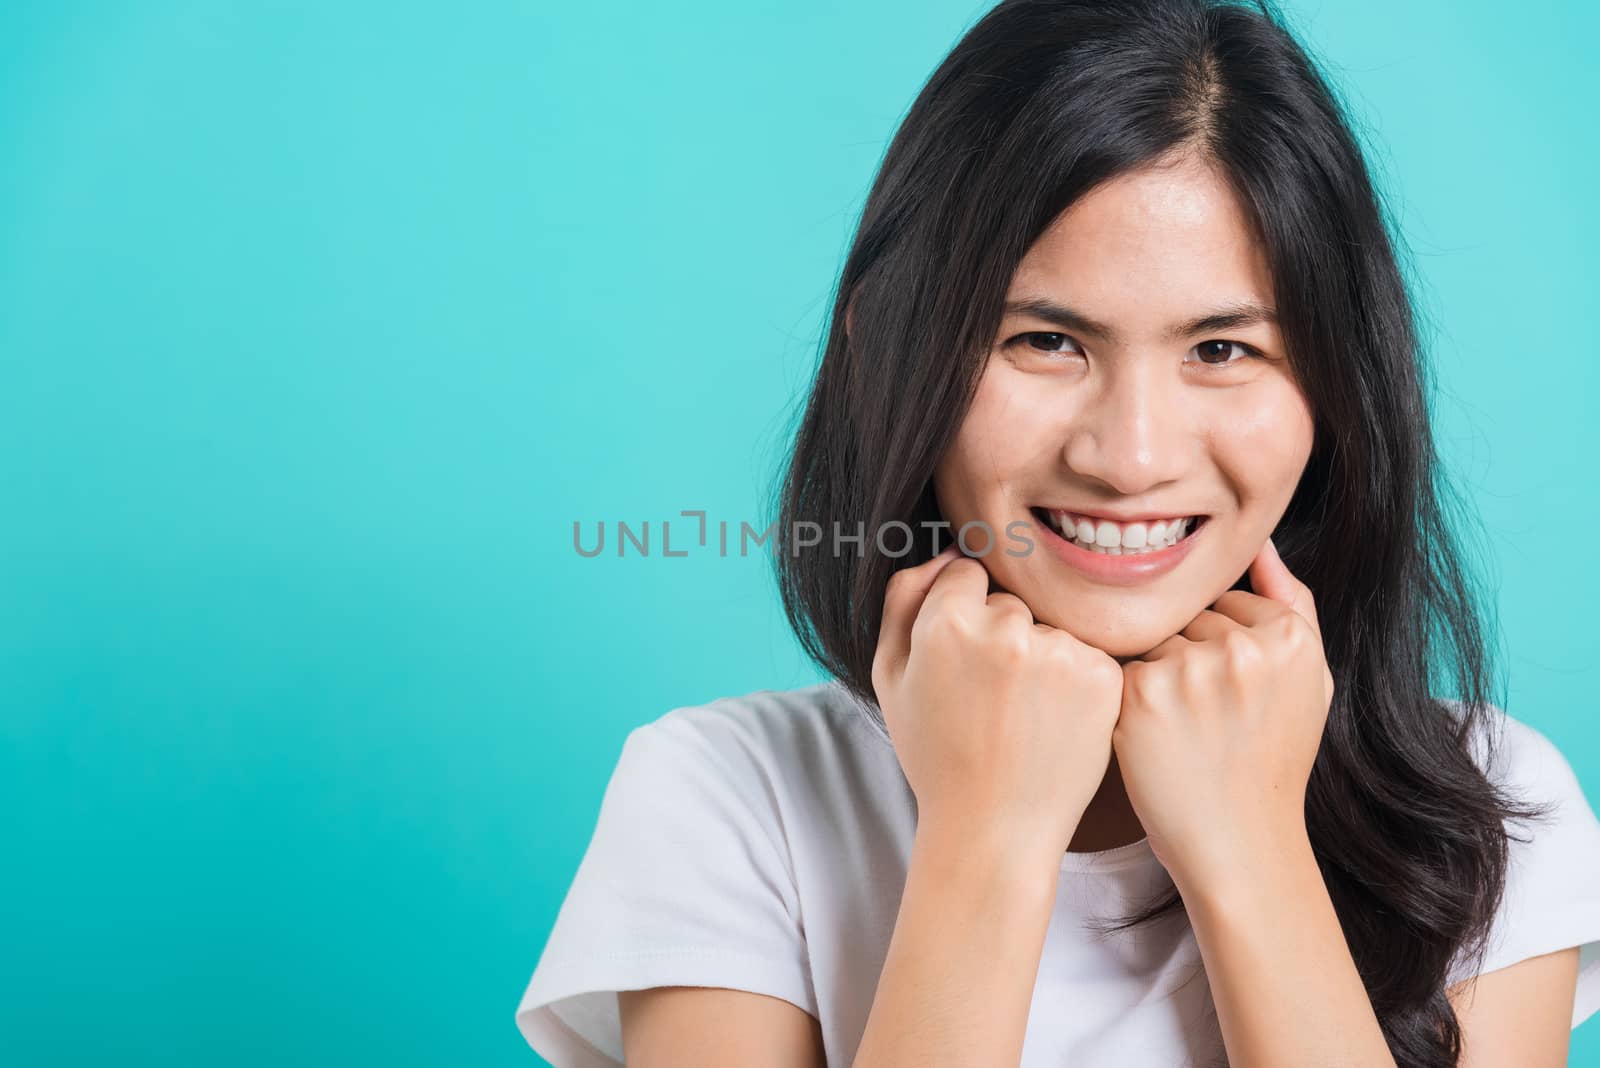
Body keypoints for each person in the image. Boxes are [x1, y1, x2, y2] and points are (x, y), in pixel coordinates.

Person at [514, 0, 1600, 1064]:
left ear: (1334, 390)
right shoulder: (730, 797)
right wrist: (987, 834)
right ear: (885, 348)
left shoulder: (1488, 809)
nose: (1128, 457)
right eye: (1045, 341)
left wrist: (1249, 850)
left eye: (1221, 352)